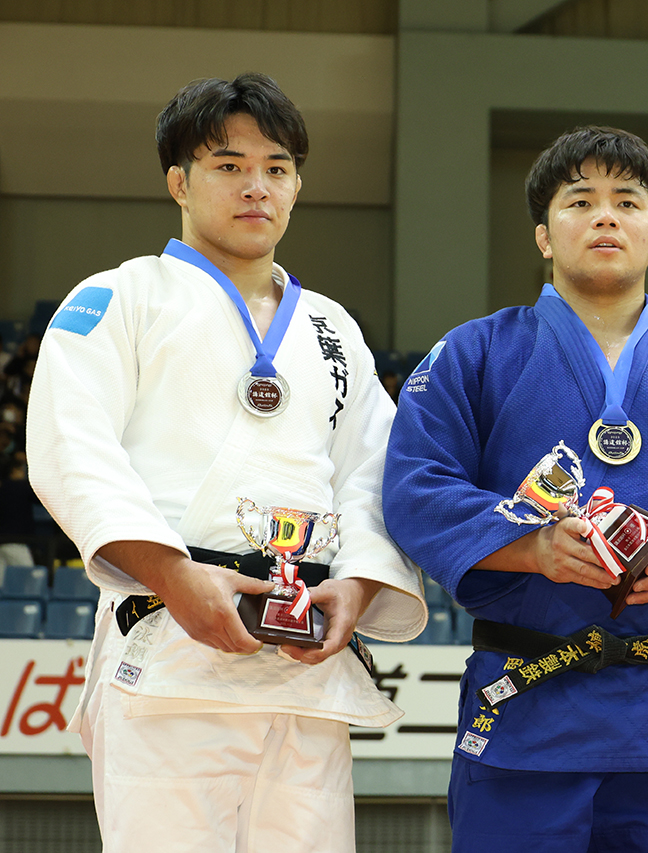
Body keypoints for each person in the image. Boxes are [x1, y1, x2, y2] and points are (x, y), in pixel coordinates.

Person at [382, 127, 648, 853]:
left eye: (628, 201)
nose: (606, 216)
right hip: (528, 711)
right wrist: (532, 546)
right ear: (543, 236)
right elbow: (416, 484)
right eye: (579, 201)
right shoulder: (476, 351)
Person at [26, 74, 427, 853]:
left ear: (298, 185)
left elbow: (374, 470)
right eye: (229, 165)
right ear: (178, 182)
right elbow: (71, 444)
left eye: (277, 168)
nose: (257, 187)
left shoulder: (333, 328)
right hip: (171, 647)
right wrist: (177, 577)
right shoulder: (121, 296)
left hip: (304, 661)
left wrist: (359, 581)